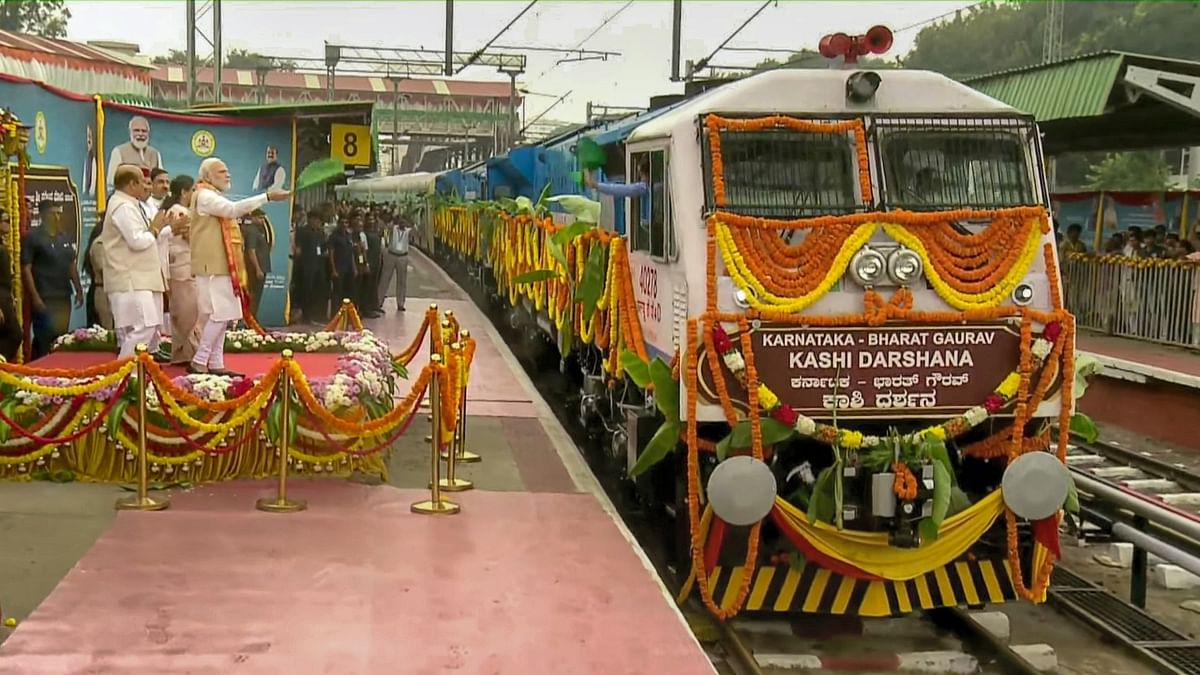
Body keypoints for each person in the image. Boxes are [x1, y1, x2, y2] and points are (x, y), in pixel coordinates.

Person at [188, 157, 288, 377]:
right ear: (207, 176)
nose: (228, 175)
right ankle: (199, 360)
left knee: (225, 315)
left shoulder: (212, 195)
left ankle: (215, 363)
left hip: (220, 266)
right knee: (221, 314)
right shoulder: (204, 196)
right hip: (213, 266)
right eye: (222, 171)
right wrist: (268, 196)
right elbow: (232, 210)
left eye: (227, 170)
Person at [101, 165, 176, 360]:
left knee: (143, 328)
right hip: (130, 279)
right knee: (144, 326)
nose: (147, 187)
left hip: (136, 279)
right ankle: (125, 375)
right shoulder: (123, 207)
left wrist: (160, 227)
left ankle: (132, 375)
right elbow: (137, 241)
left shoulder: (129, 204)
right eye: (143, 182)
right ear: (132, 184)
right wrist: (155, 229)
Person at [21, 200, 82, 359]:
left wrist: (79, 289)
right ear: (42, 215)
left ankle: (58, 372)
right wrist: (35, 297)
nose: (56, 217)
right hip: (45, 297)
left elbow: (71, 264)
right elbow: (26, 268)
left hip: (63, 295)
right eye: (52, 213)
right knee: (44, 339)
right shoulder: (33, 238)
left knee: (61, 338)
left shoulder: (64, 237)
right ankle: (40, 374)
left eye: (58, 213)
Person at [160, 175, 200, 365]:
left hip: (177, 268)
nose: (195, 194)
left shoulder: (173, 210)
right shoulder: (181, 212)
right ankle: (193, 355)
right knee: (189, 314)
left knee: (180, 312)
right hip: (184, 268)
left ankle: (181, 354)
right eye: (192, 190)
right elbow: (190, 239)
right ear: (184, 192)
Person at [292, 211, 329, 324]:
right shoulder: (303, 232)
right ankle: (306, 315)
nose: (317, 223)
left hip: (318, 265)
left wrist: (324, 253)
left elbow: (323, 248)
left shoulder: (320, 233)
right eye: (315, 220)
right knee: (306, 291)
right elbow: (298, 250)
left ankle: (315, 314)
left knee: (316, 291)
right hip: (306, 266)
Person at [107, 116, 163, 187]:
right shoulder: (118, 151)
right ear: (130, 132)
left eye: (144, 131)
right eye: (136, 130)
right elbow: (111, 181)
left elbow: (160, 179)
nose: (140, 134)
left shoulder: (155, 153)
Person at [81, 216, 112, 329]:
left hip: (115, 292)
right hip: (104, 290)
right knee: (107, 330)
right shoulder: (100, 244)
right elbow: (106, 271)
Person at [376, 213, 411, 312]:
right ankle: (379, 302)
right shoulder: (393, 229)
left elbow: (417, 232)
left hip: (403, 257)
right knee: (385, 279)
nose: (402, 223)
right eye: (401, 221)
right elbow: (386, 227)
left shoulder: (408, 231)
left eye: (404, 221)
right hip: (391, 255)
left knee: (402, 281)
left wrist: (412, 223)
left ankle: (401, 303)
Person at [241, 210, 272, 319]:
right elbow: (251, 251)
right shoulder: (252, 231)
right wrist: (258, 269)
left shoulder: (260, 231)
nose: (262, 221)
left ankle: (253, 319)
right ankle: (250, 320)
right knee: (253, 295)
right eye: (260, 218)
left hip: (262, 267)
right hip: (255, 269)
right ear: (253, 218)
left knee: (257, 296)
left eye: (263, 218)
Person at [0, 209, 21, 361]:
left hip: (5, 295)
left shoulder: (2, 245)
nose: (9, 224)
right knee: (15, 334)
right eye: (5, 220)